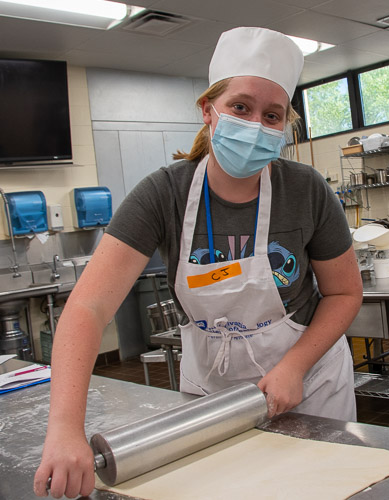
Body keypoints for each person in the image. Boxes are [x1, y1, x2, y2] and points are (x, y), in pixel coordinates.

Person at [34, 26, 362, 499]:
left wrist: (295, 365)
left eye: (272, 116)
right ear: (209, 110)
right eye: (240, 107)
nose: (255, 126)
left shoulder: (304, 190)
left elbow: (344, 292)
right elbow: (86, 309)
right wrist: (65, 428)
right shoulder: (164, 194)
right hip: (213, 394)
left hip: (308, 385)